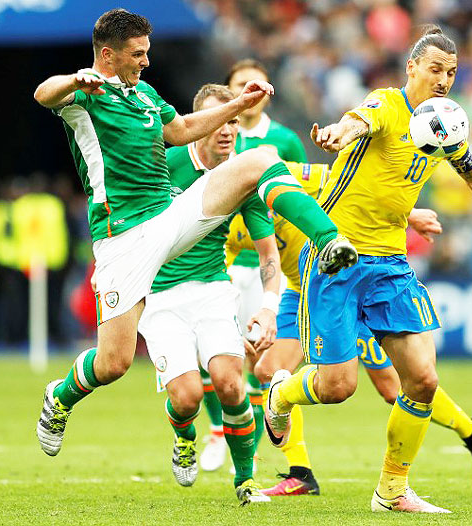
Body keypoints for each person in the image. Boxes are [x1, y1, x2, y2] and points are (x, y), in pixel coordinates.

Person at [33, 8, 358, 503]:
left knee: (259, 160)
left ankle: (329, 239)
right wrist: (74, 80)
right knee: (114, 363)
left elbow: (181, 128)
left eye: (147, 51)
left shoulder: (144, 95)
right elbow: (43, 93)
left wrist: (237, 105)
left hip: (168, 220)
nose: (146, 61)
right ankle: (59, 398)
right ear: (107, 54)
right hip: (121, 240)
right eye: (138, 54)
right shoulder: (84, 94)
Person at [264, 25, 472, 514]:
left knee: (421, 380)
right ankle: (280, 396)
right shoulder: (386, 104)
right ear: (412, 68)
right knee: (338, 387)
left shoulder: (442, 123)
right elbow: (357, 122)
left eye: (451, 72)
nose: (444, 79)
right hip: (338, 258)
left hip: (391, 263)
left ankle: (392, 490)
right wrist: (340, 132)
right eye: (435, 69)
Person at [232, 180, 472, 495]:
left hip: (345, 286)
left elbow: (358, 183)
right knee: (267, 369)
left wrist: (409, 214)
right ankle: (300, 472)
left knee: (393, 386)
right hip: (299, 290)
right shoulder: (228, 211)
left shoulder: (286, 175)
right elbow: (237, 259)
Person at [137, 83, 280, 503]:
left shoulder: (241, 179)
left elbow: (268, 254)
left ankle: (246, 480)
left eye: (234, 120)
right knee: (187, 398)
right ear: (198, 124)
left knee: (231, 385)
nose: (227, 129)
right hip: (161, 295)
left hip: (214, 289)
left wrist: (269, 306)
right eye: (219, 119)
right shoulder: (163, 164)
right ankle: (184, 437)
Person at [199, 59, 310, 472]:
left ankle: (250, 449)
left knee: (258, 358)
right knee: (212, 353)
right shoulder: (214, 134)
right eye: (240, 84)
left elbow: (301, 191)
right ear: (228, 93)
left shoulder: (283, 140)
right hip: (220, 260)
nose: (249, 89)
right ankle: (216, 430)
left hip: (268, 262)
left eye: (255, 83)